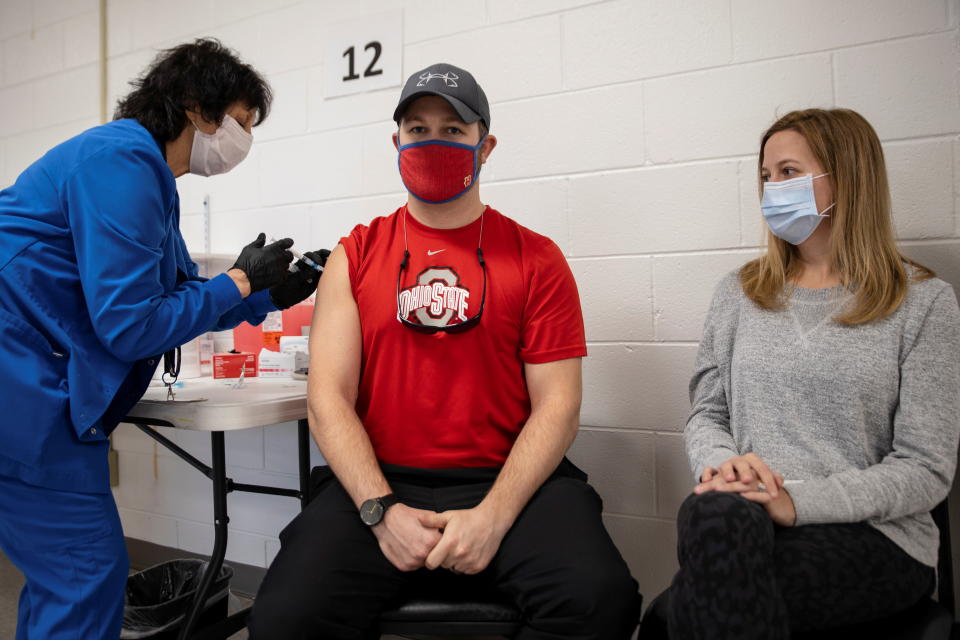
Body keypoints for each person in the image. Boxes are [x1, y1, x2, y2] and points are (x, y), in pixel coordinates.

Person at [247, 62, 641, 639]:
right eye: (417, 128)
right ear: (396, 142)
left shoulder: (537, 258)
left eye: (454, 131)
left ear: (486, 146)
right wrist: (380, 511)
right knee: (284, 621)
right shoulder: (354, 255)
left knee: (600, 602)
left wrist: (493, 517)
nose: (434, 142)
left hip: (506, 478)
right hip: (381, 480)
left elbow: (558, 406)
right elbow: (328, 396)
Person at [0, 39, 327, 640]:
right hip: (23, 393)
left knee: (63, 578)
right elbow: (129, 326)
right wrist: (237, 278)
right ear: (196, 108)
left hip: (32, 387)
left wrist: (265, 295)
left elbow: (172, 304)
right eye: (241, 122)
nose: (243, 141)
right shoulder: (121, 162)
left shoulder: (139, 173)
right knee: (84, 577)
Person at [665, 108, 960, 639]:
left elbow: (926, 469)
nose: (771, 188)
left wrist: (795, 502)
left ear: (847, 179)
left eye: (789, 172)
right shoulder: (738, 292)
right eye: (765, 176)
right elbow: (707, 413)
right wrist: (725, 469)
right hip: (743, 521)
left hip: (876, 536)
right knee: (712, 515)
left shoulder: (924, 303)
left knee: (688, 607)